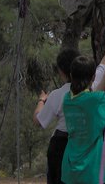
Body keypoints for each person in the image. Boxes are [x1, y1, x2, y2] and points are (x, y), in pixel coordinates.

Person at [61, 15, 105, 184]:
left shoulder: (68, 99)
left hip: (70, 168)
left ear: (71, 75)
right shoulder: (95, 100)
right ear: (94, 75)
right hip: (91, 170)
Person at [33, 48, 79, 184]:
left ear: (60, 71)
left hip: (60, 145)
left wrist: (41, 100)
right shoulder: (93, 89)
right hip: (83, 144)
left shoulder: (57, 94)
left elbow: (38, 120)